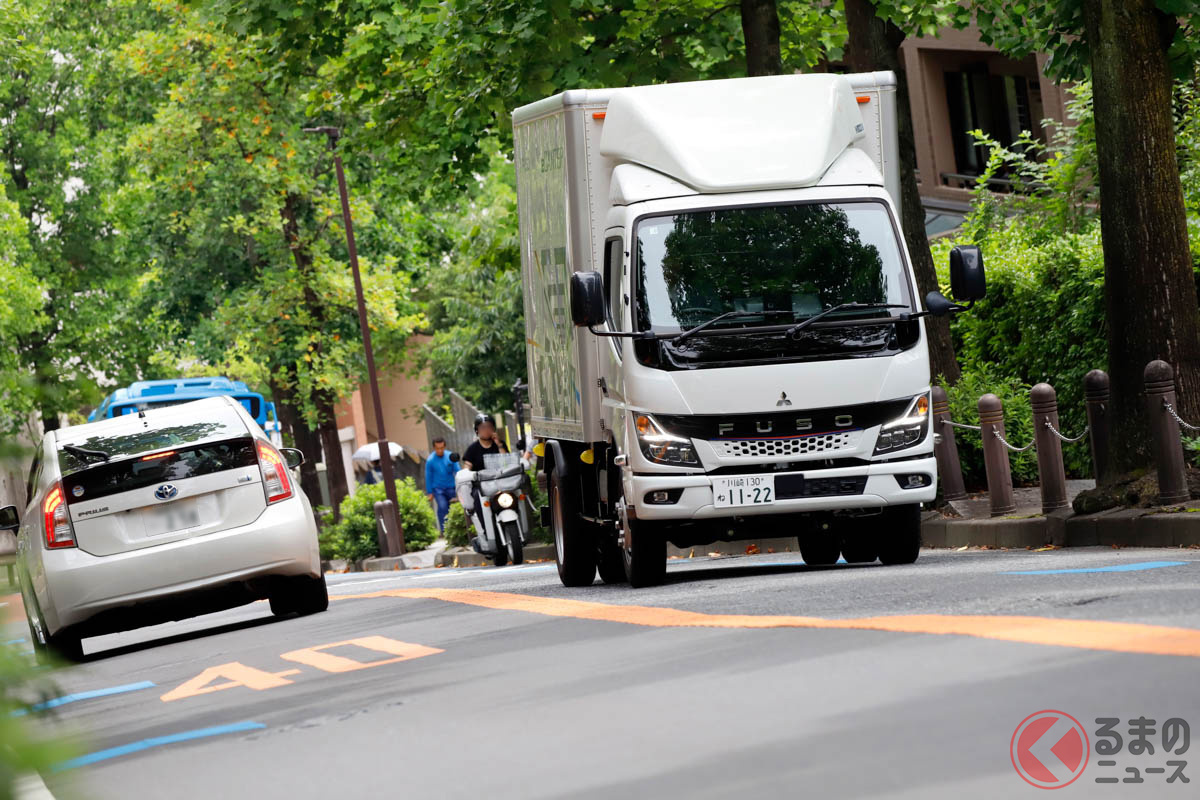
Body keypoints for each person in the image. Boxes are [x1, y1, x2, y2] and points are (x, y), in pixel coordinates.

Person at [424, 437, 460, 533]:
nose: (440, 450)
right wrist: (430, 492)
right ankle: (445, 531)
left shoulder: (450, 456)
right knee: (443, 507)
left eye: (441, 448)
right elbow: (428, 476)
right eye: (437, 448)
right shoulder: (430, 460)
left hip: (451, 487)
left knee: (454, 508)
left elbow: (457, 471)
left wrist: (461, 485)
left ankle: (455, 531)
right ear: (434, 448)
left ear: (445, 446)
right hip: (438, 489)